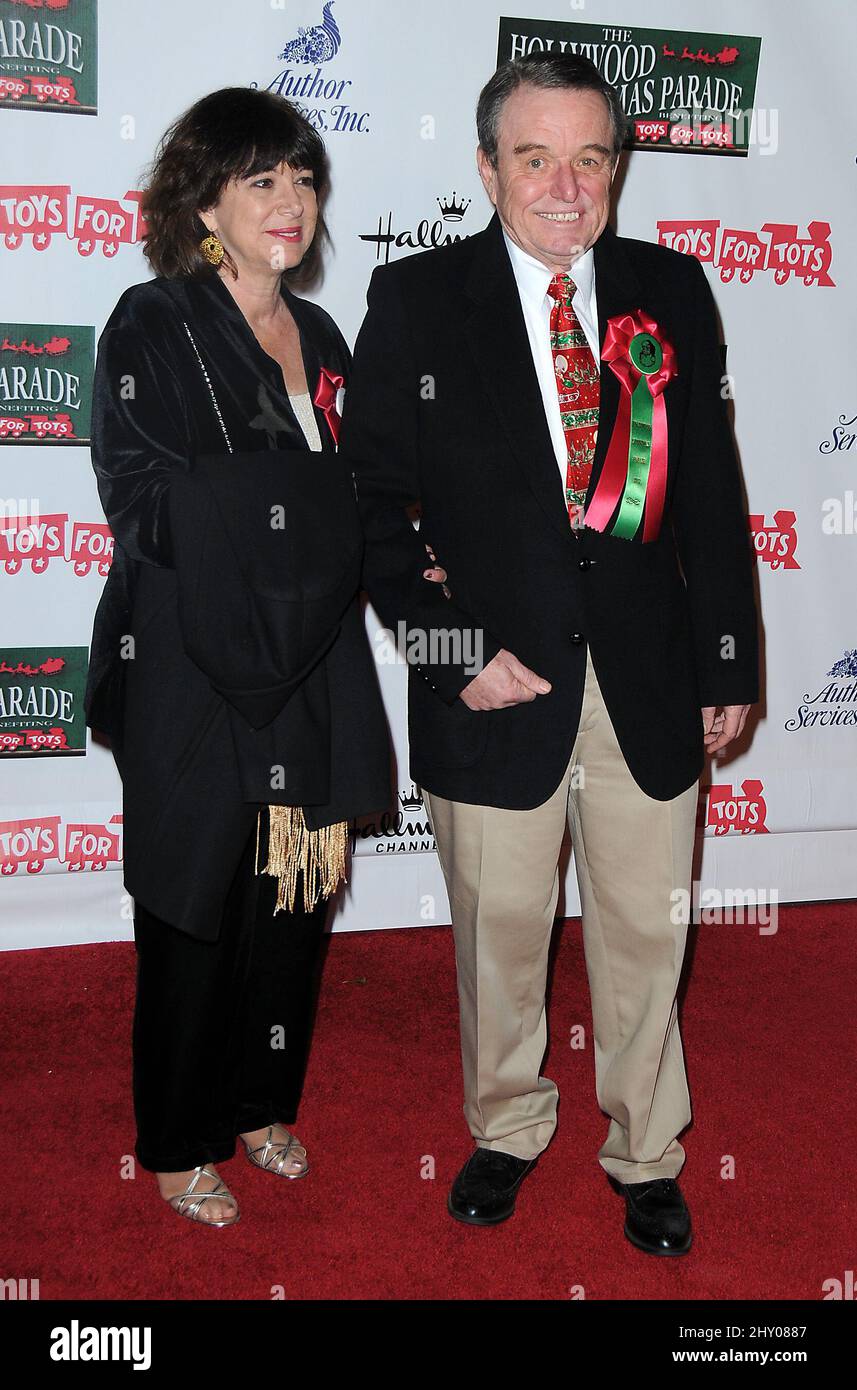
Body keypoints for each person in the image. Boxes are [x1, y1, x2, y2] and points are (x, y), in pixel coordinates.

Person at [340, 52, 759, 1254]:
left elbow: (709, 495)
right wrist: (451, 652)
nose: (565, 187)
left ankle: (646, 1149)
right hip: (492, 687)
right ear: (487, 170)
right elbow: (367, 510)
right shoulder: (416, 300)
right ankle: (507, 1123)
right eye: (534, 159)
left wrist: (725, 662)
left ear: (614, 168)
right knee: (499, 931)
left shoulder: (669, 289)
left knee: (644, 932)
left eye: (588, 159)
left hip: (646, 679)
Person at [85, 87, 392, 1227]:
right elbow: (145, 500)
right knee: (193, 904)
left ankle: (261, 1105)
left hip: (311, 661)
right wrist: (307, 511)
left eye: (302, 177)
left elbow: (365, 493)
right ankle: (176, 1139)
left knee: (291, 902)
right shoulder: (152, 322)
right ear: (203, 203)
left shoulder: (324, 336)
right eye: (260, 179)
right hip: (192, 662)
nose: (290, 200)